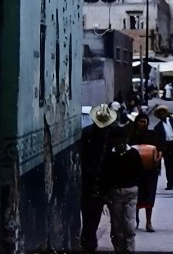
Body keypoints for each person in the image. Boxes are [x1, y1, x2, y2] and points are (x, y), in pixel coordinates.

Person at [80, 104, 118, 251]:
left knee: (88, 211)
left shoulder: (87, 132)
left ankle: (87, 237)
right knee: (95, 211)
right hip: (101, 178)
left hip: (90, 179)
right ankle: (89, 238)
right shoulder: (111, 134)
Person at [99, 127, 143, 252]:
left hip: (126, 192)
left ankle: (127, 249)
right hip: (118, 193)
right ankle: (122, 249)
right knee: (119, 225)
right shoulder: (112, 155)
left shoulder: (128, 153)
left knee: (126, 225)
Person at [127, 113, 162, 233]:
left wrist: (158, 159)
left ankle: (148, 222)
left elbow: (160, 149)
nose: (143, 124)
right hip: (135, 171)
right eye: (140, 121)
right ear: (136, 122)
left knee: (149, 196)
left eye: (145, 122)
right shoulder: (131, 136)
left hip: (151, 170)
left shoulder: (152, 135)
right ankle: (134, 219)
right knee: (135, 195)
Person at [152, 104, 173, 190]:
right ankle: (170, 182)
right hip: (166, 147)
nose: (162, 115)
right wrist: (160, 150)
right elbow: (158, 141)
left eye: (163, 113)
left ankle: (172, 175)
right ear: (158, 116)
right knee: (168, 164)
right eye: (160, 114)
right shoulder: (157, 127)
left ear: (166, 113)